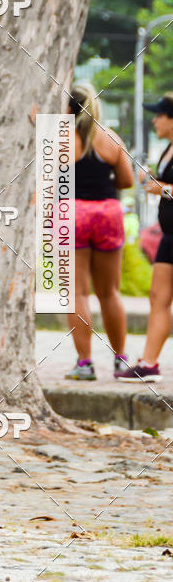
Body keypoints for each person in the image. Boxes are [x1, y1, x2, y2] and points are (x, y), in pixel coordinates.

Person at [65, 82, 134, 380]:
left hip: (73, 213)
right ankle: (121, 361)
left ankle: (85, 364)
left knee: (77, 292)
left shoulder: (59, 139)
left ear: (68, 108)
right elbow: (127, 181)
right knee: (110, 292)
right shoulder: (110, 138)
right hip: (108, 213)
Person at [117, 93, 173, 382]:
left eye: (158, 115)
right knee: (157, 297)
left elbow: (168, 188)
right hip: (169, 235)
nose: (154, 120)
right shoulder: (167, 149)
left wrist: (161, 189)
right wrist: (151, 181)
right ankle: (149, 363)